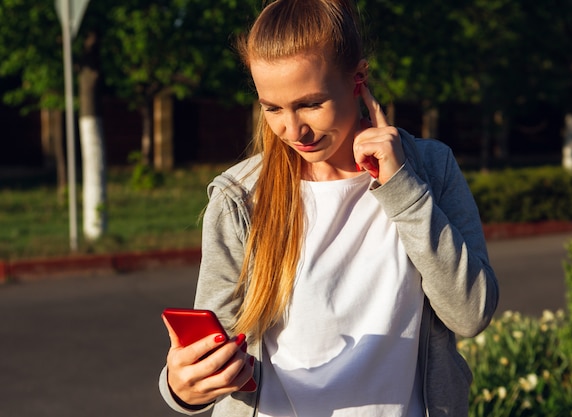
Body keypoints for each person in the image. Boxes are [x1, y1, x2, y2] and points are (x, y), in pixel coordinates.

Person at [159, 0, 499, 415]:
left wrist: (401, 189)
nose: (293, 129)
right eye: (273, 108)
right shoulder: (240, 198)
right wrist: (182, 387)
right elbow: (214, 348)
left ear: (358, 78)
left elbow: (471, 314)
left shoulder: (428, 169)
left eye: (309, 104)